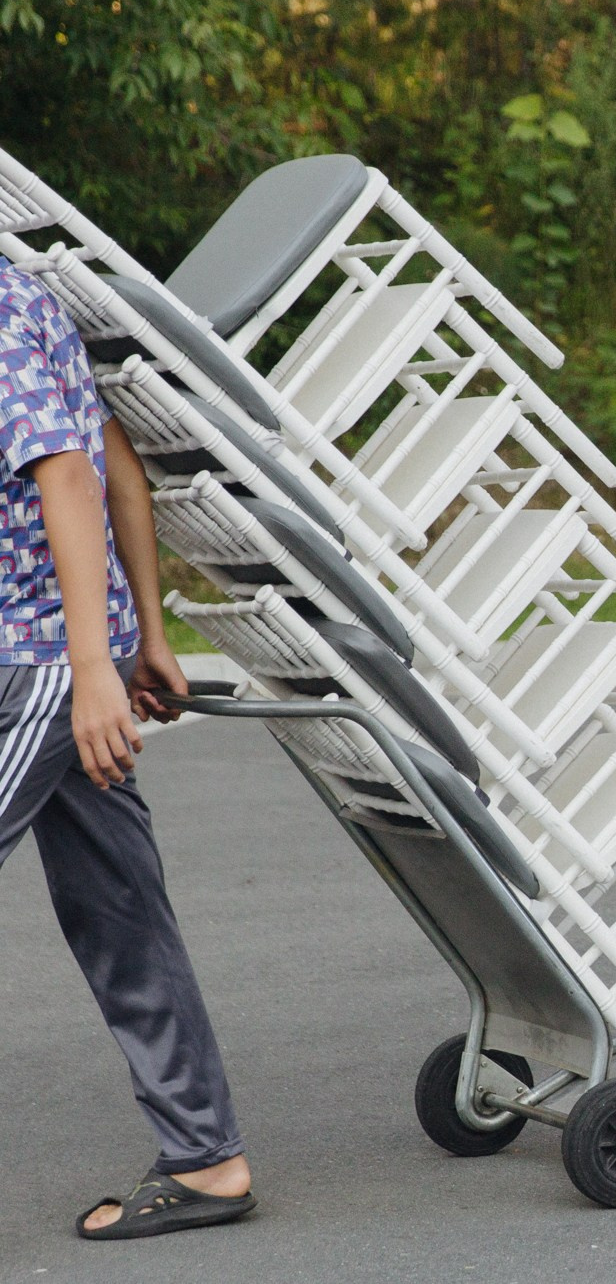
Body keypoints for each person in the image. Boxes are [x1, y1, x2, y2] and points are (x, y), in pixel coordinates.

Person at [0, 256, 257, 1240]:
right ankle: (207, 1157)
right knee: (118, 909)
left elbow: (71, 474)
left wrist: (93, 667)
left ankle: (206, 1151)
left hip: (34, 659)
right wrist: (142, 636)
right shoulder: (31, 295)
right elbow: (117, 465)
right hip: (70, 652)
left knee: (118, 909)